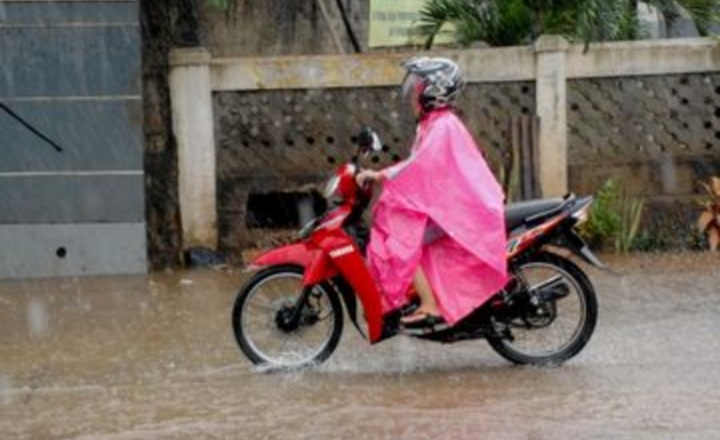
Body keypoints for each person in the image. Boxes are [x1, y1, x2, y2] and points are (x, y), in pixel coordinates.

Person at [356, 57, 509, 328]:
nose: (412, 95)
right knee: (404, 235)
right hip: (453, 206)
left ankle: (430, 306)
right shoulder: (434, 124)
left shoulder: (442, 126)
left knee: (398, 242)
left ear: (433, 92)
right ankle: (423, 298)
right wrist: (381, 176)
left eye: (418, 88)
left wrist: (380, 176)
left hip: (461, 210)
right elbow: (418, 166)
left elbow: (419, 167)